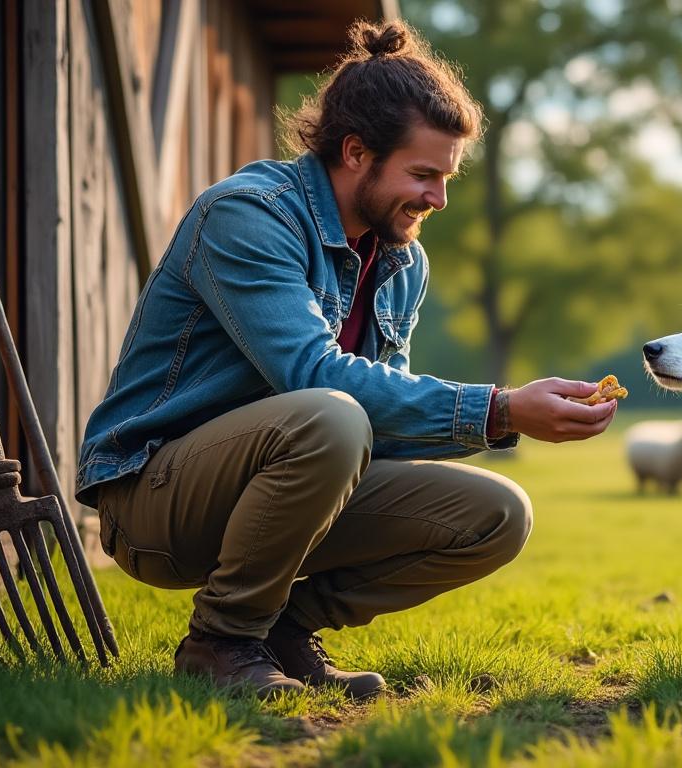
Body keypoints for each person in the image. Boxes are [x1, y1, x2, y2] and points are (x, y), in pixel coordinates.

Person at [75, 19, 618, 699]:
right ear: (356, 152)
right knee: (331, 415)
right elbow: (313, 376)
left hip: (292, 485)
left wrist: (505, 419)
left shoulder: (403, 262)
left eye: (446, 178)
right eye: (423, 175)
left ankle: (282, 630)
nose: (438, 199)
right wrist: (500, 408)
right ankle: (222, 641)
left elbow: (384, 420)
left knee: (499, 514)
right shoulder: (248, 216)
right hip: (156, 500)